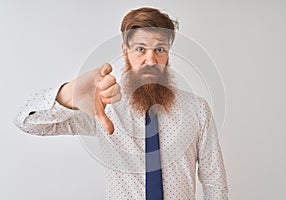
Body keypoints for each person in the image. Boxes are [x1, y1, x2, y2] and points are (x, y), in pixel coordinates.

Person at [14, 7, 229, 200]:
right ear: (125, 50)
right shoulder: (103, 107)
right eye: (141, 49)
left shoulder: (197, 109)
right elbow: (27, 122)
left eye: (160, 49)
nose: (151, 60)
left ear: (169, 52)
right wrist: (67, 95)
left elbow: (214, 183)